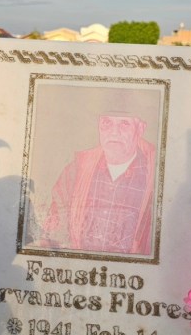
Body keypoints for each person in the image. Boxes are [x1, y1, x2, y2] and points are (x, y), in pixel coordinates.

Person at [41, 107, 156, 255]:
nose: (114, 132)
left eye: (124, 123)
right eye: (107, 122)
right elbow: (54, 232)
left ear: (140, 129)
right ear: (98, 126)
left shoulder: (155, 178)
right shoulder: (76, 171)